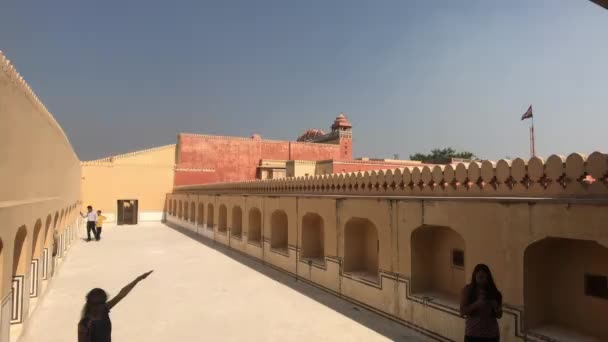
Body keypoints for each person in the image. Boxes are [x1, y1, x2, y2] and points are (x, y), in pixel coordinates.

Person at [78, 270, 153, 342]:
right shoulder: (85, 325)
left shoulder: (104, 309)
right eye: (101, 303)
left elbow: (121, 295)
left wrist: (138, 279)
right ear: (93, 305)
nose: (102, 306)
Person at [460, 264, 502, 342]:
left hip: (491, 335)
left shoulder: (494, 292)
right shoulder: (468, 290)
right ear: (475, 276)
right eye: (480, 277)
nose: (482, 280)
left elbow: (499, 315)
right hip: (473, 334)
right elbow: (462, 312)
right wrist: (477, 304)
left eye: (484, 277)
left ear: (488, 278)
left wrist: (496, 307)